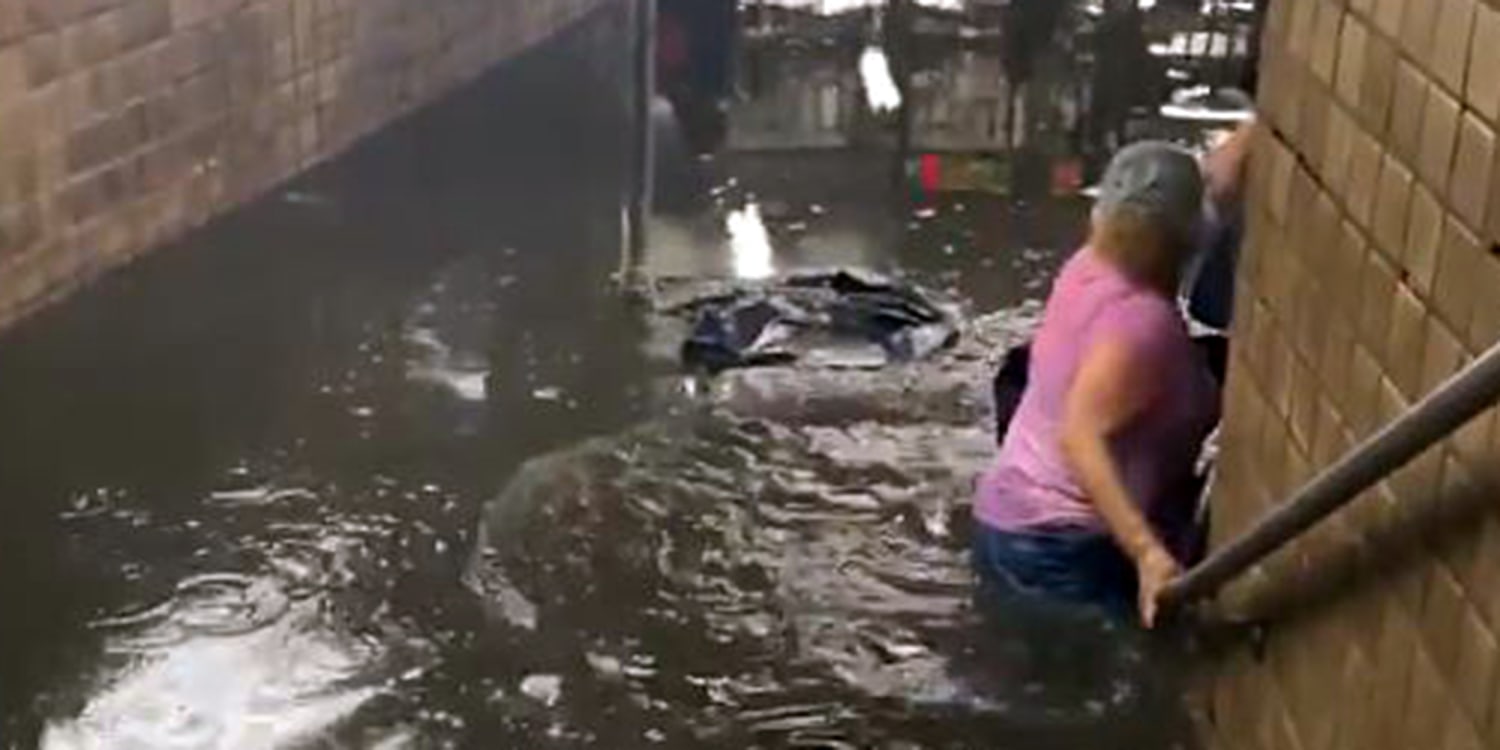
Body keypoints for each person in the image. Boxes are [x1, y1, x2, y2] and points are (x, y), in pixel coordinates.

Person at [973, 142, 1221, 628]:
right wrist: (1148, 554)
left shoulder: (1087, 267)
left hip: (1007, 521)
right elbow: (1079, 436)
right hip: (1059, 553)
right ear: (1185, 238)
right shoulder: (1143, 325)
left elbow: (1215, 180)